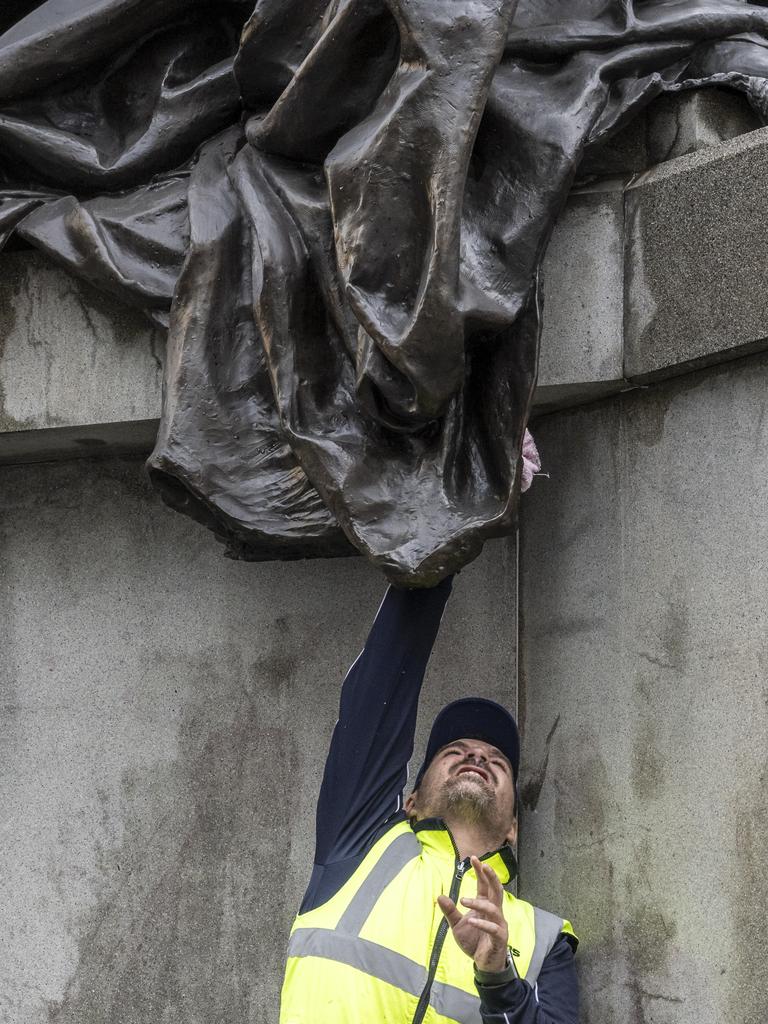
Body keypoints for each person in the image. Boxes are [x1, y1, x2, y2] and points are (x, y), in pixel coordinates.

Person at [279, 576, 578, 1023]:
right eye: (454, 751)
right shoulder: (362, 843)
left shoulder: (546, 939)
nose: (477, 754)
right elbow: (376, 703)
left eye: (497, 760)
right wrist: (428, 566)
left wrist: (499, 981)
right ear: (412, 800)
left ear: (514, 824)